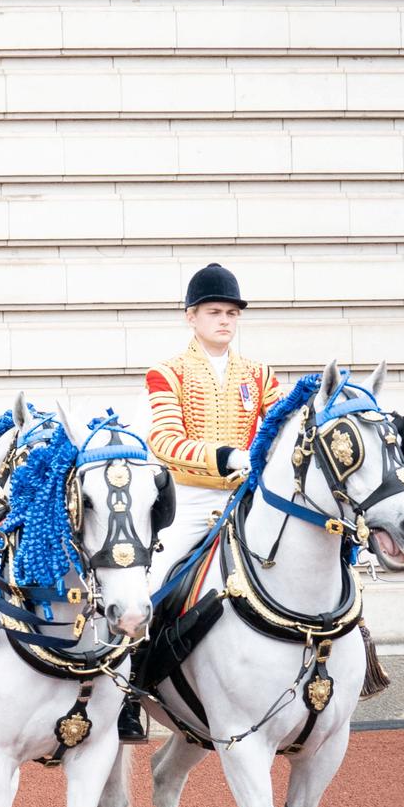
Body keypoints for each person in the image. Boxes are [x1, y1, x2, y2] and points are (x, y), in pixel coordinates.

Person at [126, 262, 283, 741]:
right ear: (191, 317)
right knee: (147, 587)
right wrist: (227, 456)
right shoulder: (167, 373)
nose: (225, 321)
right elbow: (166, 442)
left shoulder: (260, 374)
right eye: (215, 312)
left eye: (232, 313)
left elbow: (276, 429)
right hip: (190, 499)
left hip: (246, 496)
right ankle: (127, 692)